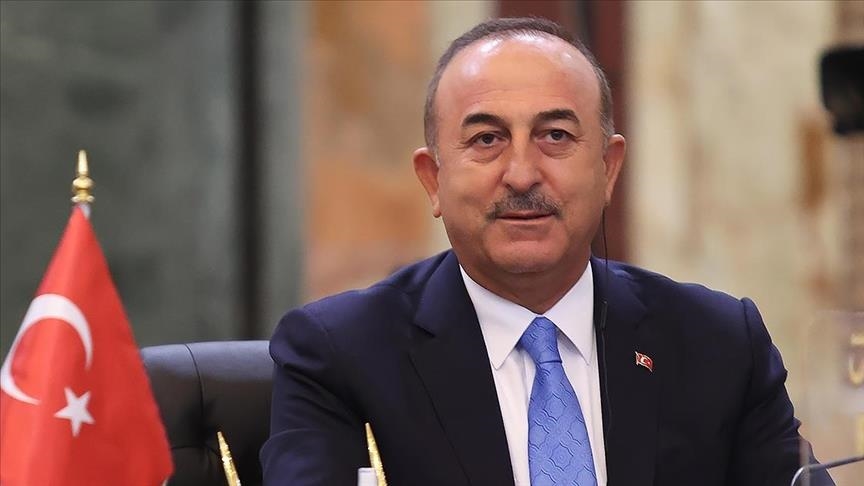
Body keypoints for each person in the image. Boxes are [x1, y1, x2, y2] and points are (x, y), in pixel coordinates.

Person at [261, 17, 832, 486]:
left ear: (609, 170)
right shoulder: (339, 357)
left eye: (555, 136)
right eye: (487, 139)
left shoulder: (719, 344)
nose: (521, 173)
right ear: (433, 180)